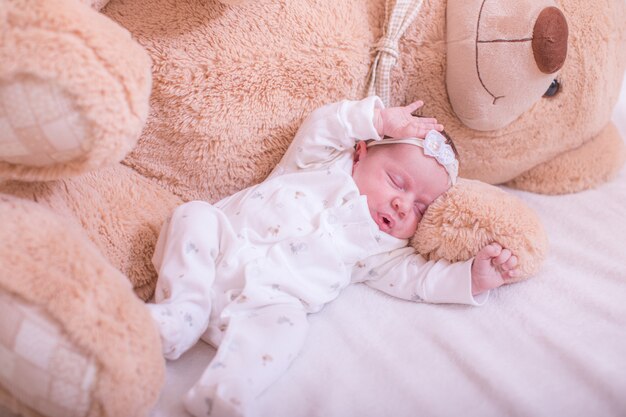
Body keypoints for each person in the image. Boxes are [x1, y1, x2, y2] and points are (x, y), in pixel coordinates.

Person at [147, 96, 519, 417]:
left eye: (422, 208)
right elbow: (323, 126)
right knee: (194, 216)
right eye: (397, 182)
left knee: (290, 329)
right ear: (360, 154)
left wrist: (472, 278)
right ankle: (184, 310)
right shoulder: (317, 166)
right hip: (219, 250)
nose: (403, 205)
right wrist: (378, 119)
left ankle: (224, 391)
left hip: (266, 303)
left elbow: (419, 280)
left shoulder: (384, 250)